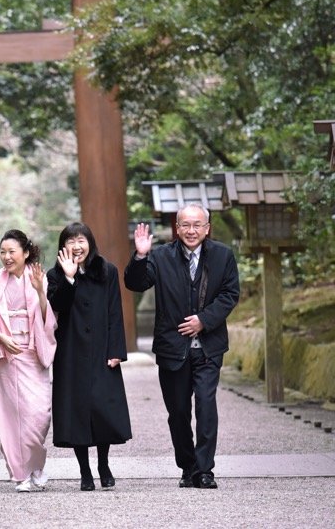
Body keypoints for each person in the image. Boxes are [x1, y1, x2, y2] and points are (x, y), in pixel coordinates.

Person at [124, 202, 240, 489]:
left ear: (207, 228)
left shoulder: (223, 255)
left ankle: (204, 470)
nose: (191, 230)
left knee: (206, 405)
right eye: (185, 225)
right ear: (177, 228)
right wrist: (140, 256)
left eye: (197, 225)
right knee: (177, 412)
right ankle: (187, 467)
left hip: (209, 347)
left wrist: (203, 320)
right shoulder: (161, 256)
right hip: (172, 348)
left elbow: (229, 294)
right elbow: (135, 284)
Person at [46, 222, 132, 492]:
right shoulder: (55, 275)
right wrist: (69, 278)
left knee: (102, 409)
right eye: (70, 241)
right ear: (63, 247)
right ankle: (85, 471)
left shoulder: (107, 271)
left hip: (101, 351)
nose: (76, 245)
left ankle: (103, 464)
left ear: (90, 243)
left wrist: (116, 350)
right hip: (70, 353)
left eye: (80, 240)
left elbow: (115, 312)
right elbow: (56, 306)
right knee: (76, 412)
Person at [0, 230, 57, 493]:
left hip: (33, 353)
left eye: (11, 251)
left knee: (39, 415)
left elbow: (48, 319)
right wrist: (0, 337)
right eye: (2, 252)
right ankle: (20, 474)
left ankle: (36, 466)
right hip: (8, 356)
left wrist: (39, 292)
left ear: (25, 253)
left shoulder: (38, 278)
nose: (6, 257)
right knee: (13, 418)